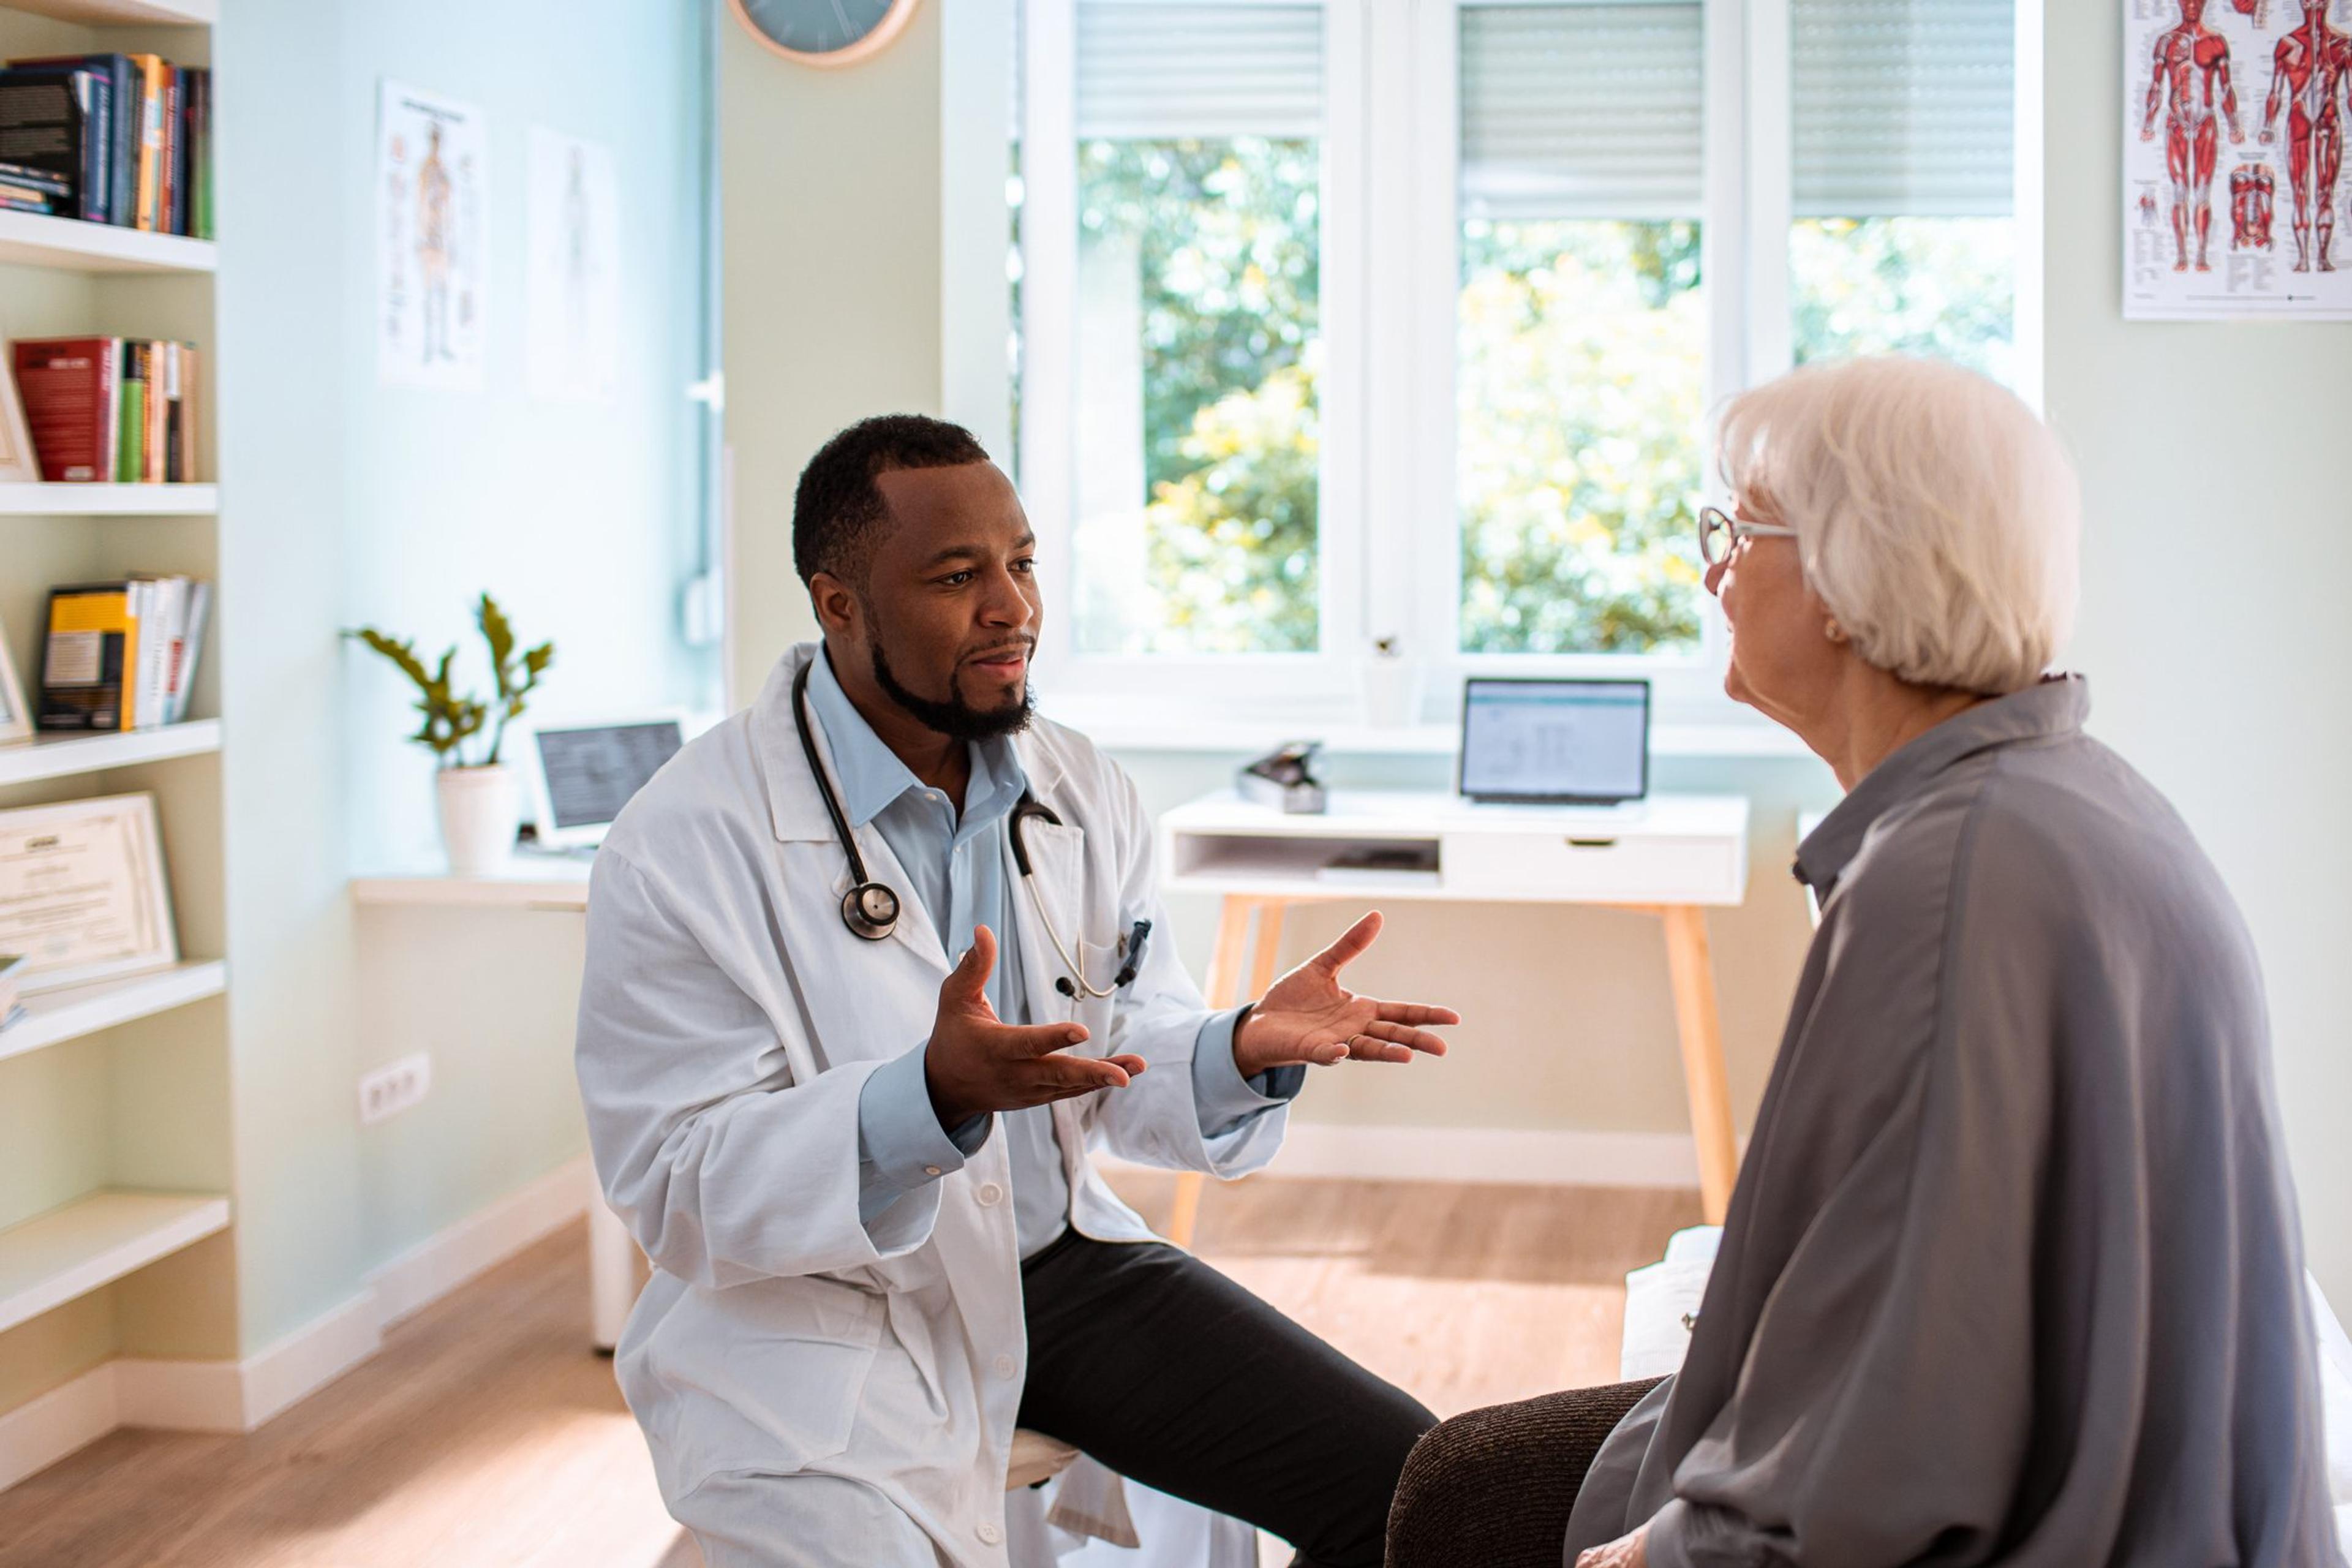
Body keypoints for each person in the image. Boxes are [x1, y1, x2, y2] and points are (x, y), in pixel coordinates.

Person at [1386, 357, 2344, 1568]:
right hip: (2106, 1477)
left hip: (2031, 1515)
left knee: (1460, 1503)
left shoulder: (1949, 879)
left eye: (1738, 529)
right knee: (1463, 1471)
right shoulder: (2068, 798)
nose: (1711, 569)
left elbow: (1903, 1431)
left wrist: (1668, 1553)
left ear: (1847, 574)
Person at [575, 415, 1459, 1568]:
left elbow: (1126, 1041)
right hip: (824, 1315)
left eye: (1024, 563)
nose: (1015, 609)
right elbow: (676, 1186)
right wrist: (924, 1101)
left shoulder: (1080, 786)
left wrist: (1237, 1049)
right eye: (959, 576)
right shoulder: (684, 844)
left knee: (1428, 1501)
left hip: (1061, 1274)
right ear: (838, 603)